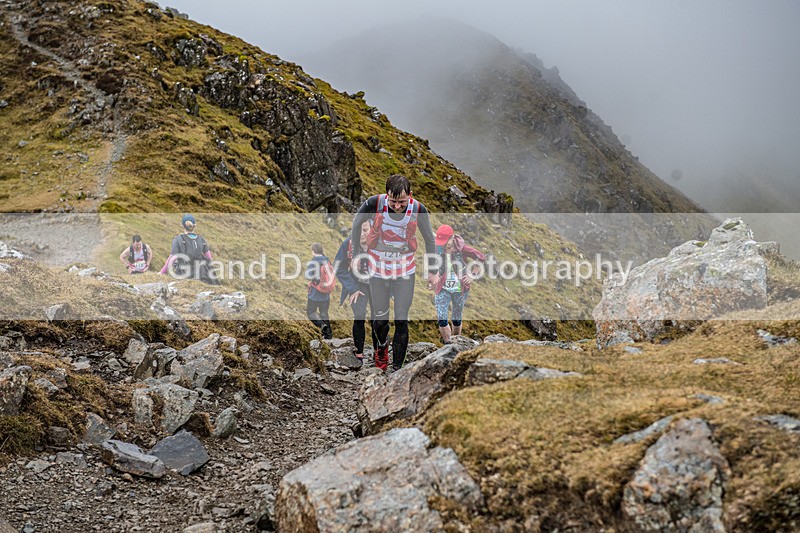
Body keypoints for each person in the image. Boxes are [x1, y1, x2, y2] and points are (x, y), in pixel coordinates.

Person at [350, 174, 438, 372]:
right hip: (378, 270)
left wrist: (433, 271)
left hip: (404, 272)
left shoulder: (418, 209)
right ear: (386, 194)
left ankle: (398, 368)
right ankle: (381, 347)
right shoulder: (374, 203)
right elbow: (356, 226)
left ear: (410, 196)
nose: (397, 206)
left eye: (402, 202)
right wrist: (357, 254)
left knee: (401, 319)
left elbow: (429, 240)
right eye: (393, 201)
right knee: (379, 320)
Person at [431, 224, 486, 344]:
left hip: (460, 289)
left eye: (446, 243)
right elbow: (432, 262)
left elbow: (481, 258)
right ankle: (448, 344)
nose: (443, 246)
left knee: (456, 318)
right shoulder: (437, 248)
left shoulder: (462, 248)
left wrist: (472, 275)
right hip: (442, 288)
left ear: (451, 238)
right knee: (442, 318)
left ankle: (457, 343)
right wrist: (432, 278)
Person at [335, 220, 379, 365]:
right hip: (358, 285)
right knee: (359, 316)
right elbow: (339, 268)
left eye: (365, 230)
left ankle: (378, 352)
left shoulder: (379, 244)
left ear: (372, 230)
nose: (361, 233)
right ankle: (359, 352)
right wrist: (352, 288)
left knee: (377, 318)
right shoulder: (348, 244)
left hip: (377, 285)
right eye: (359, 230)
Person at [159, 214, 219, 285]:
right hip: (201, 275)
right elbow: (209, 258)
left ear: (182, 226)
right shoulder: (201, 239)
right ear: (194, 226)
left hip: (183, 275)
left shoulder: (178, 239)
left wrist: (162, 272)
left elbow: (172, 258)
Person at [306, 243, 333, 340]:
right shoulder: (327, 260)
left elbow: (308, 276)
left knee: (311, 311)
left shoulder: (313, 262)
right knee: (324, 313)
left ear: (313, 251)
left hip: (315, 292)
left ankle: (322, 325)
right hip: (326, 293)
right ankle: (329, 335)